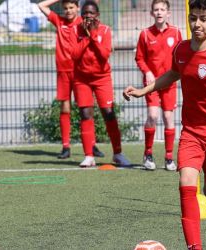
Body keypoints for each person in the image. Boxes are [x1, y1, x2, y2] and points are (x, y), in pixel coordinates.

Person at [124, 0, 206, 248]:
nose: (197, 23)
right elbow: (174, 73)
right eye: (193, 17)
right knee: (186, 184)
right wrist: (144, 90)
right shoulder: (181, 50)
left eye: (203, 18)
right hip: (192, 133)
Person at [38, 0, 104, 159]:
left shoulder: (83, 21)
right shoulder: (58, 21)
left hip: (80, 71)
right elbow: (41, 6)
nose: (68, 10)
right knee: (65, 108)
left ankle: (92, 145)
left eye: (71, 7)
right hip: (63, 71)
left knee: (87, 109)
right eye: (65, 8)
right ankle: (66, 147)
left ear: (77, 8)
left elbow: (95, 14)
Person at [70, 0, 131, 167]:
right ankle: (89, 155)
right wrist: (86, 37)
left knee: (108, 113)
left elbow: (104, 54)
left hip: (102, 78)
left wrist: (94, 35)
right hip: (81, 79)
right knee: (85, 113)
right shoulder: (75, 30)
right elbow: (74, 55)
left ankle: (117, 153)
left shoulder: (105, 30)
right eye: (85, 13)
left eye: (91, 13)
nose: (88, 16)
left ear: (97, 15)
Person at [135, 0, 182, 171]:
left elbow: (180, 55)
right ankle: (148, 154)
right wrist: (147, 72)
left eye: (163, 9)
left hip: (169, 83)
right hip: (152, 84)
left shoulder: (176, 32)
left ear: (168, 13)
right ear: (151, 13)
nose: (159, 12)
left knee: (169, 118)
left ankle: (169, 157)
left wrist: (181, 71)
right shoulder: (145, 34)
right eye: (156, 9)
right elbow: (139, 58)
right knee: (153, 116)